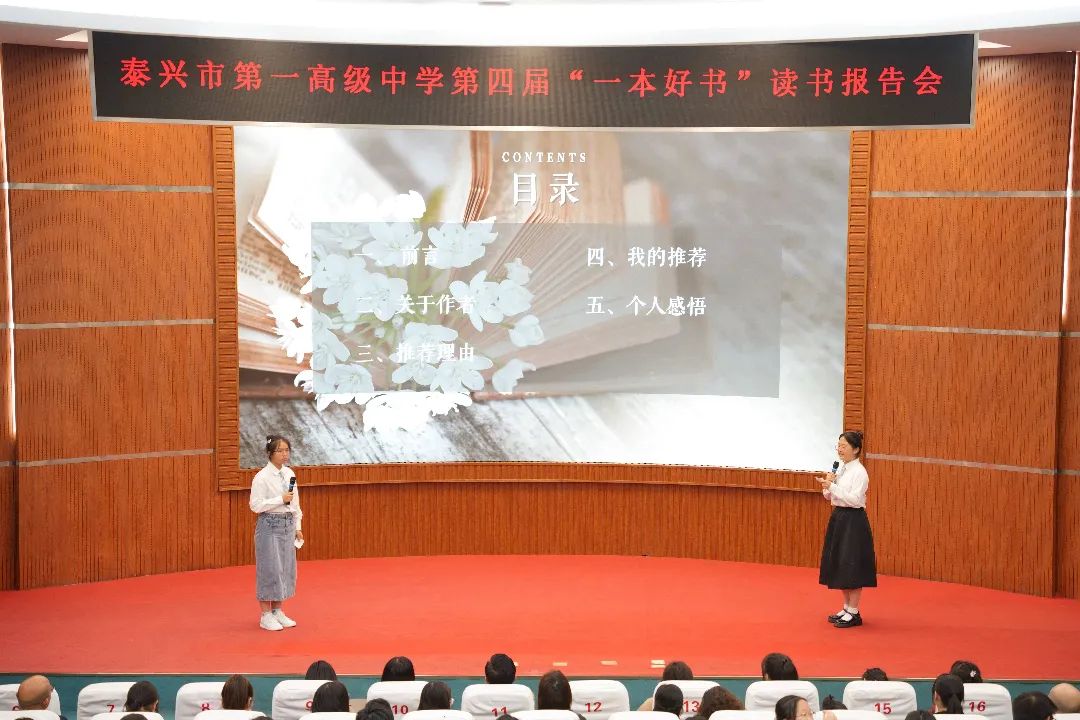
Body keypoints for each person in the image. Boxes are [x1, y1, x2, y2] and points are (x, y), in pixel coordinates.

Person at [817, 430, 877, 628]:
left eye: (844, 446)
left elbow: (855, 500)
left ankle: (854, 611)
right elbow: (831, 497)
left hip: (853, 520)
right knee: (840, 562)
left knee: (852, 564)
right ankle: (846, 608)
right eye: (839, 446)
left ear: (856, 449)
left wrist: (833, 487)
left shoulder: (860, 472)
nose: (840, 450)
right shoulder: (842, 469)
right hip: (840, 518)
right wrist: (828, 485)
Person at [250, 434, 303, 632]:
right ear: (270, 453)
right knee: (269, 569)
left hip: (288, 523)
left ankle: (277, 610)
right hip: (270, 524)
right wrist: (280, 499)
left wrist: (298, 526)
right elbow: (255, 505)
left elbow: (295, 503)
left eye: (287, 450)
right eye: (280, 451)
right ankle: (265, 615)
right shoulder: (262, 477)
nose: (284, 454)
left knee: (285, 568)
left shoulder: (289, 473)